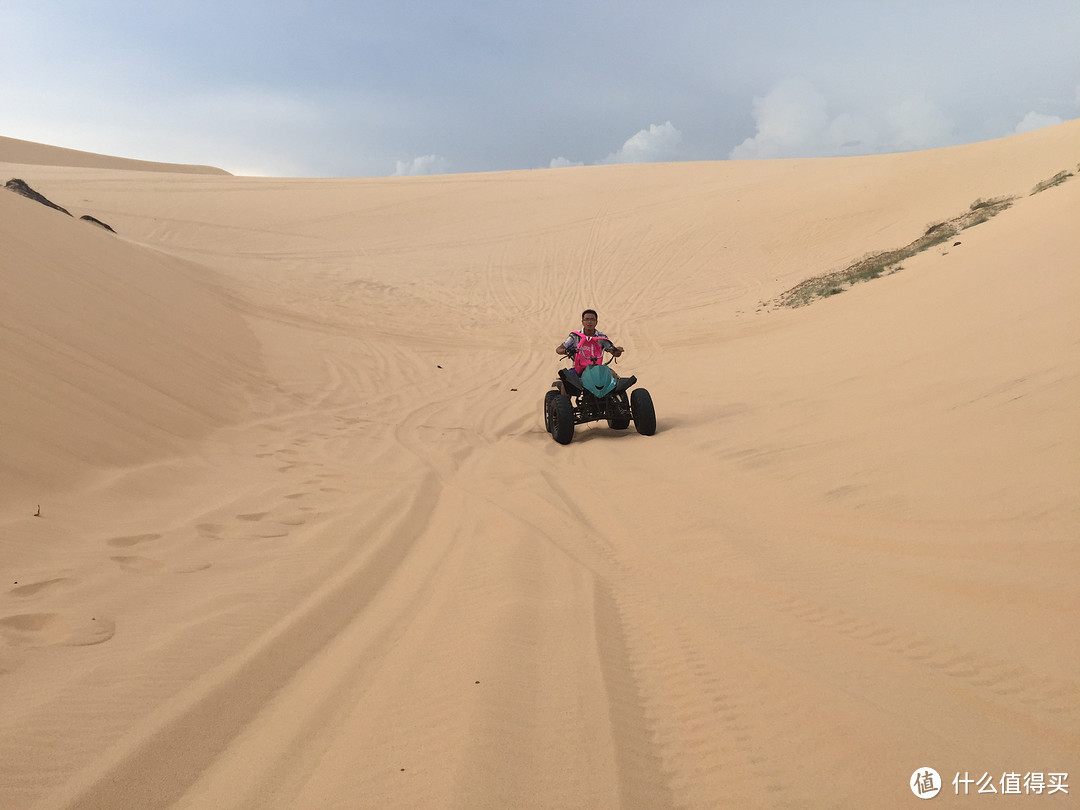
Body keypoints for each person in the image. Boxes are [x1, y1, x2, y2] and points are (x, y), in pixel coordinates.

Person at [555, 309, 624, 393]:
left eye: (592, 319)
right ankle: (564, 404)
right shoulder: (575, 336)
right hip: (579, 370)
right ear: (582, 322)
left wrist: (618, 351)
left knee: (614, 376)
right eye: (586, 319)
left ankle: (618, 402)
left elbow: (614, 352)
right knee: (566, 380)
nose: (589, 322)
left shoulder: (601, 337)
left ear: (596, 322)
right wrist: (567, 351)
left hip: (597, 370)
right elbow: (559, 349)